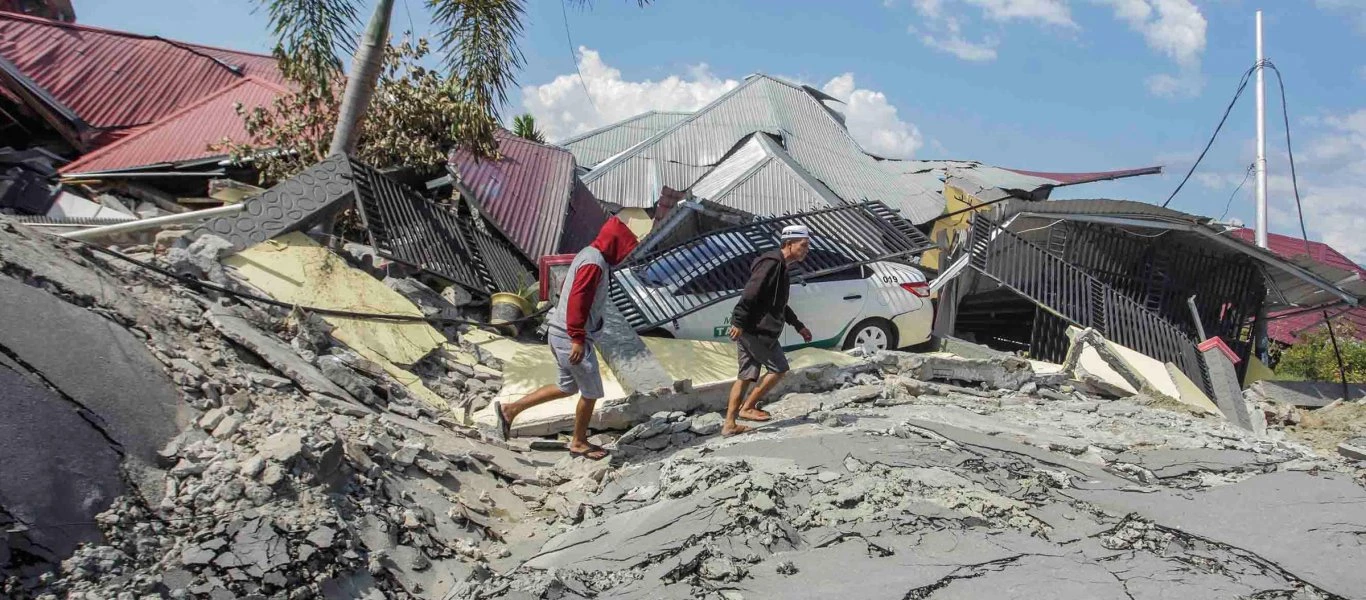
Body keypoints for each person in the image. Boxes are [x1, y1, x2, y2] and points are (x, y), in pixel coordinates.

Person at [491, 216, 639, 460]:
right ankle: (579, 442)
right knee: (591, 392)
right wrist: (578, 338)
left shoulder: (589, 253)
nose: (624, 255)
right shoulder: (594, 264)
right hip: (570, 337)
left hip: (559, 332)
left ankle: (509, 410)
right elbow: (578, 302)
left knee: (566, 387)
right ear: (614, 244)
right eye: (624, 249)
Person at [723, 224, 813, 436]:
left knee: (744, 376)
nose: (806, 250)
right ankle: (747, 408)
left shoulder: (781, 267)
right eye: (803, 245)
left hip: (751, 329)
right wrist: (738, 321)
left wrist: (798, 325)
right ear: (789, 243)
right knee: (779, 368)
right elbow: (751, 292)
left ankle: (729, 424)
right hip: (757, 330)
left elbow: (778, 304)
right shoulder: (772, 264)